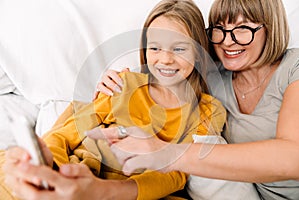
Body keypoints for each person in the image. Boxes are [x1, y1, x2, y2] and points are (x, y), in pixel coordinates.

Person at [2, 0, 235, 199]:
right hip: (77, 172)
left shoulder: (208, 110)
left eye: (179, 49)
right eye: (155, 47)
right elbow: (65, 134)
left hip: (134, 192)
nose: (165, 59)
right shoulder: (123, 84)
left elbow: (177, 174)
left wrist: (112, 190)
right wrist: (54, 170)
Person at [91, 0, 299, 199]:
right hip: (238, 191)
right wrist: (117, 83)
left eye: (243, 28)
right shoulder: (209, 76)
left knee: (205, 146)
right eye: (219, 28)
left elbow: (294, 157)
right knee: (206, 141)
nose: (227, 41)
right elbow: (165, 69)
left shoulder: (294, 66)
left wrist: (168, 154)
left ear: (271, 28)